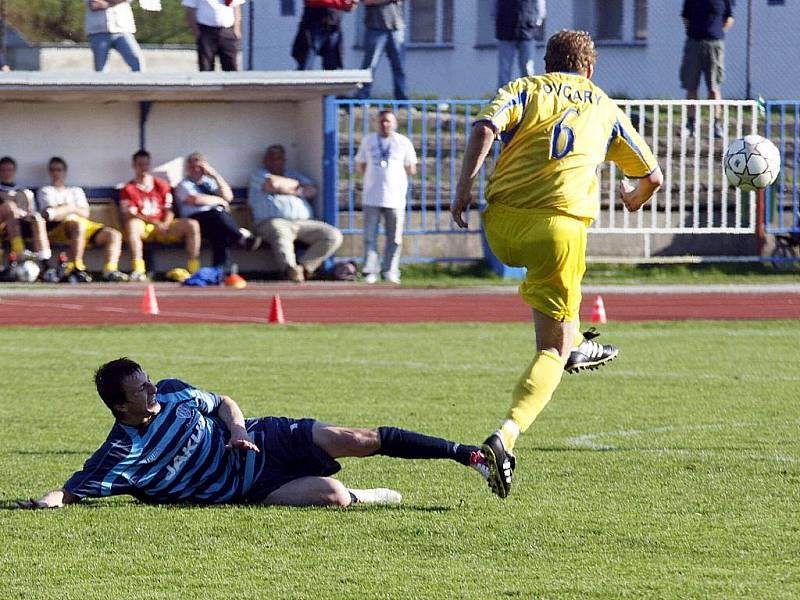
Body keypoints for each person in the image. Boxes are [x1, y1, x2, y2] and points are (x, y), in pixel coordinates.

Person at [453, 30, 663, 498]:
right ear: (589, 69)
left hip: (501, 227)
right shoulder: (603, 104)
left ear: (548, 63)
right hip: (558, 231)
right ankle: (506, 435)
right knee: (551, 348)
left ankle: (573, 343)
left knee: (561, 315)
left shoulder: (526, 88)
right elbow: (652, 176)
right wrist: (633, 199)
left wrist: (464, 187)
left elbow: (486, 126)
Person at [18, 357, 492, 509]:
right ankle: (364, 495)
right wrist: (47, 501)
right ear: (121, 406)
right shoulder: (123, 452)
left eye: (147, 378)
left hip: (265, 438)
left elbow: (222, 402)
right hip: (250, 487)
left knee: (357, 438)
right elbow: (75, 489)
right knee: (333, 497)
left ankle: (467, 455)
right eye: (140, 388)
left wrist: (238, 429)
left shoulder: (175, 394)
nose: (151, 387)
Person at [247, 145, 342, 282]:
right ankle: (288, 269)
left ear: (284, 160)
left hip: (303, 222)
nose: (275, 161)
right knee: (280, 231)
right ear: (265, 160)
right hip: (270, 221)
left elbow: (312, 190)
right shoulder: (258, 173)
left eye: (279, 158)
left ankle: (303, 269)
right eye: (271, 158)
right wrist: (297, 188)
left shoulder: (293, 174)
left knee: (333, 235)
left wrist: (286, 187)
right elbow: (272, 184)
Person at [36, 157, 128, 283]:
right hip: (59, 228)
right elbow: (52, 215)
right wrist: (73, 208)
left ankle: (110, 271)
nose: (56, 173)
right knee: (77, 225)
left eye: (59, 170)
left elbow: (85, 213)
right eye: (53, 170)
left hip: (82, 225)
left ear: (65, 172)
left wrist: (66, 208)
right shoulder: (46, 191)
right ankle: (77, 266)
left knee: (114, 235)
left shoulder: (76, 191)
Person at [174, 152, 261, 277]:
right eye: (192, 167)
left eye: (199, 167)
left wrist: (215, 175)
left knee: (220, 234)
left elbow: (228, 197)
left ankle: (219, 270)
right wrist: (220, 201)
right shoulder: (184, 184)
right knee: (218, 213)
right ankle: (240, 237)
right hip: (196, 219)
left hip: (216, 221)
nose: (196, 170)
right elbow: (196, 200)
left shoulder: (209, 183)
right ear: (187, 168)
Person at [119, 150, 201, 282]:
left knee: (192, 224)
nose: (143, 168)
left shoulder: (162, 185)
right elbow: (130, 214)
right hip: (145, 226)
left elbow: (169, 209)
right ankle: (139, 269)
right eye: (140, 164)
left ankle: (194, 268)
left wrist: (165, 224)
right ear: (134, 166)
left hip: (164, 225)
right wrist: (154, 223)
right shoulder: (128, 189)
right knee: (132, 225)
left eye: (146, 164)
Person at [355, 109, 417, 284]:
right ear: (377, 123)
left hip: (395, 197)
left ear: (395, 123)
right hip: (371, 197)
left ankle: (390, 270)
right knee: (369, 236)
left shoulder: (403, 142)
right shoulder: (368, 141)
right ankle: (370, 271)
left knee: (394, 237)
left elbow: (411, 168)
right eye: (382, 121)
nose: (385, 124)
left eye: (388, 121)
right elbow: (360, 165)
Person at [680, 0, 734, 138]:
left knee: (714, 88)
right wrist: (697, 33)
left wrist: (714, 32)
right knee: (691, 86)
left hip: (714, 45)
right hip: (694, 43)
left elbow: (728, 18)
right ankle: (690, 125)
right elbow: (685, 17)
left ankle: (716, 125)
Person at [0, 156, 58, 282]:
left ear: (14, 171)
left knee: (37, 218)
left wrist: (25, 213)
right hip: (3, 225)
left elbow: (31, 210)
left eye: (9, 170)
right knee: (10, 207)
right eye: (3, 170)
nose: (6, 173)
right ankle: (20, 253)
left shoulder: (24, 191)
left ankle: (46, 264)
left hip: (20, 225)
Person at [355, 0, 407, 100]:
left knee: (399, 67)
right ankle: (362, 97)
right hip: (375, 28)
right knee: (369, 66)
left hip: (395, 27)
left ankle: (402, 99)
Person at [291, 0, 357, 71]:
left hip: (334, 24)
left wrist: (350, 4)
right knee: (306, 63)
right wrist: (343, 3)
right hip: (314, 23)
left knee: (333, 68)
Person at [495, 0, 546, 90]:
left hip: (527, 30)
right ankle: (503, 98)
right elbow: (495, 6)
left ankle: (528, 96)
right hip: (505, 30)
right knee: (504, 72)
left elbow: (540, 5)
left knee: (527, 68)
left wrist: (536, 21)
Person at [182, 0, 243, 72]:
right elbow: (190, 10)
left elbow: (236, 7)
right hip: (206, 31)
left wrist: (236, 29)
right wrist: (197, 32)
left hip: (227, 31)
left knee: (231, 65)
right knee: (206, 66)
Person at [84, 0, 144, 72]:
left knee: (137, 61)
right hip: (99, 32)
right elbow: (94, 5)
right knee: (100, 69)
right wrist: (115, 2)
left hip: (123, 29)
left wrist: (106, 3)